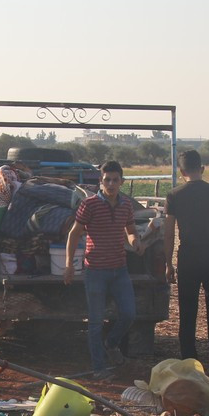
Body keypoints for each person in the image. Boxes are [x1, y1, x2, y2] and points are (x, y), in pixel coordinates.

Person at [64, 161, 139, 380]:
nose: (112, 184)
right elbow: (74, 234)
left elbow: (131, 229)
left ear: (122, 182)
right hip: (95, 270)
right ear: (101, 182)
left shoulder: (126, 205)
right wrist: (69, 265)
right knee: (95, 321)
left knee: (129, 314)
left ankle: (111, 343)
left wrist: (136, 241)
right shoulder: (90, 205)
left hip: (119, 269)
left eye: (116, 180)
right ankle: (99, 368)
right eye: (107, 180)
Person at [163, 149, 209, 376]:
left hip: (188, 259)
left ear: (181, 172)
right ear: (202, 169)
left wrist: (168, 263)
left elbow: (169, 233)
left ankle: (190, 362)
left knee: (188, 311)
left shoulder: (174, 195)